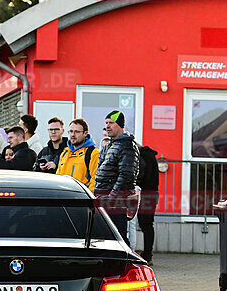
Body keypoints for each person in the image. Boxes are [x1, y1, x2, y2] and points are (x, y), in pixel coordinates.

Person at [94, 110, 139, 241]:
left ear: (120, 125)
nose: (107, 126)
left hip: (115, 204)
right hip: (104, 200)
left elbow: (126, 176)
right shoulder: (109, 146)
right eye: (106, 123)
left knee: (118, 240)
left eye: (111, 123)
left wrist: (111, 199)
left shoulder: (128, 146)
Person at [56, 118, 99, 190]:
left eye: (77, 132)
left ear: (85, 133)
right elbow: (57, 178)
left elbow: (95, 180)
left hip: (81, 197)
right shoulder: (65, 153)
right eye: (71, 131)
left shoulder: (93, 153)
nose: (73, 135)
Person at [137, 143, 160, 265]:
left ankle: (147, 254)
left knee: (144, 224)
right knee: (147, 224)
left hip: (144, 193)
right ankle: (148, 254)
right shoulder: (150, 155)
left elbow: (141, 176)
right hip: (153, 193)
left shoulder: (141, 157)